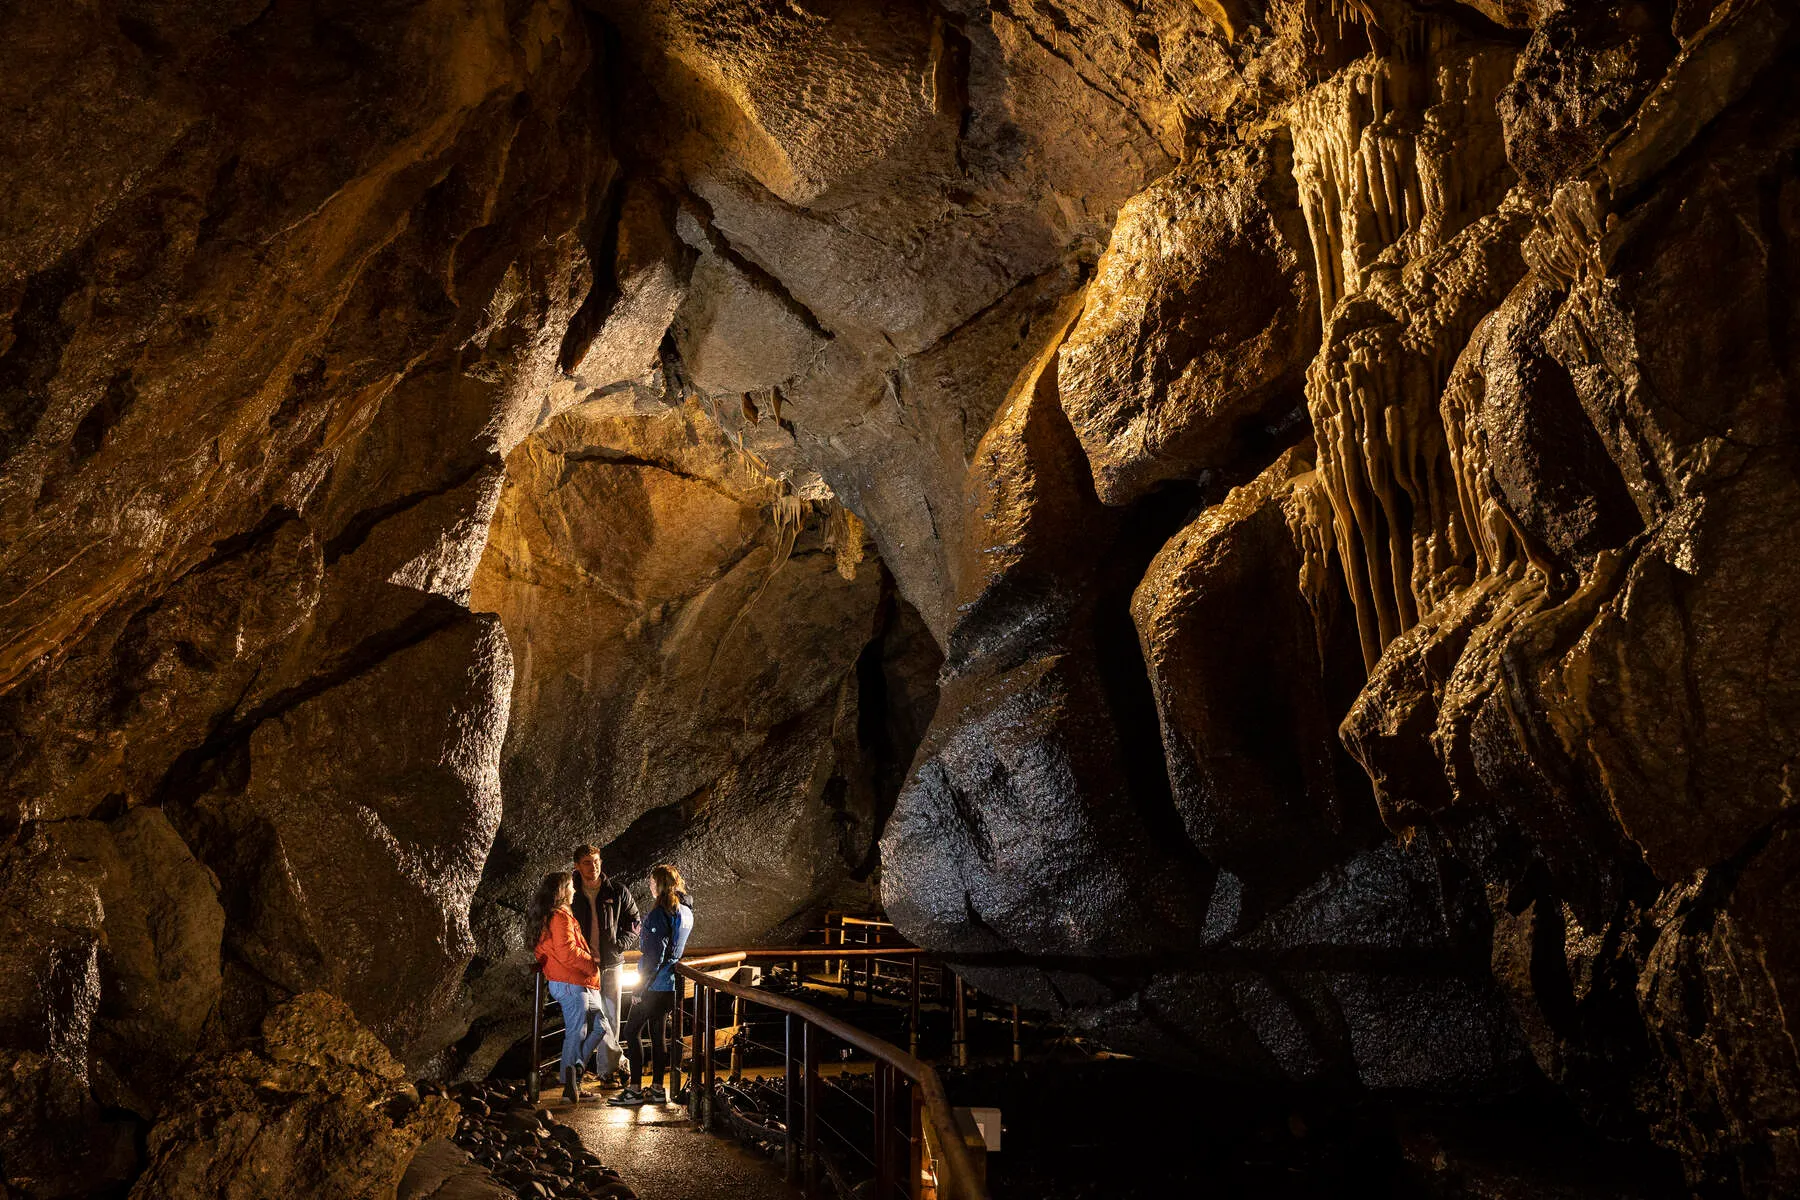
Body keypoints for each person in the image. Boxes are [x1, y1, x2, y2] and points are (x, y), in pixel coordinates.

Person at [609, 864, 693, 1107]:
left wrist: (639, 989)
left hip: (654, 986)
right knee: (658, 1035)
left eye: (653, 882)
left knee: (630, 1032)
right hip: (670, 986)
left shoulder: (660, 913)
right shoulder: (686, 912)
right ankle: (657, 1089)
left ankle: (634, 1089)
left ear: (661, 884)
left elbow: (655, 956)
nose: (650, 885)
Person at [530, 871, 612, 1104]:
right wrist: (591, 965)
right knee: (577, 1032)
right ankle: (570, 1085)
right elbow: (566, 952)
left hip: (577, 982)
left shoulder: (554, 917)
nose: (575, 890)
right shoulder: (559, 918)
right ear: (562, 891)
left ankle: (574, 1071)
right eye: (571, 887)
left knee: (601, 1026)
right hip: (571, 982)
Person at [570, 844, 639, 1079]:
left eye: (597, 861)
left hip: (611, 964)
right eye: (588, 863)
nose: (594, 867)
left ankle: (607, 1071)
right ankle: (609, 1064)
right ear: (577, 866)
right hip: (583, 965)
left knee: (610, 1015)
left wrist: (619, 945)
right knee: (591, 1018)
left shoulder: (616, 891)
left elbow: (634, 921)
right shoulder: (570, 893)